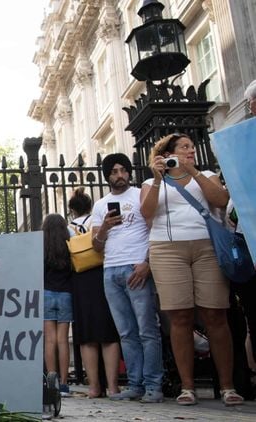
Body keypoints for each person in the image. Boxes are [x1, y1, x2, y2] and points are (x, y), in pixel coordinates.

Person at [139, 134, 243, 406]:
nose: (190, 151)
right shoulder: (151, 182)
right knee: (180, 318)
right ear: (167, 153)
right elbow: (146, 213)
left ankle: (228, 387)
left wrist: (193, 171)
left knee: (215, 314)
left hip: (206, 248)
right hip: (166, 249)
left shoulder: (206, 174)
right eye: (184, 148)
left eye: (193, 148)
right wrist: (160, 179)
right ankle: (187, 387)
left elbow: (220, 200)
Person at [92, 153, 164, 403]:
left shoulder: (139, 194)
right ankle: (135, 384)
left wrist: (147, 263)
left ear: (129, 173)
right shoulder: (100, 205)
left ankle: (154, 385)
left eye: (123, 170)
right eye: (114, 171)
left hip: (136, 267)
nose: (119, 175)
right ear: (107, 176)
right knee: (126, 332)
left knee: (147, 329)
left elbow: (155, 229)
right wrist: (104, 228)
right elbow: (96, 246)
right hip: (110, 271)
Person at [68, 188, 121, 398]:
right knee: (109, 333)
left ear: (72, 210)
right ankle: (114, 386)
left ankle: (93, 387)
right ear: (90, 205)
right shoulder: (97, 221)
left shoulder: (68, 228)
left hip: (80, 280)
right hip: (102, 274)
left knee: (87, 336)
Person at [41, 214, 73, 397]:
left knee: (50, 340)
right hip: (66, 294)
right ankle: (63, 383)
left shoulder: (41, 246)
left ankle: (50, 383)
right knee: (63, 340)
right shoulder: (68, 244)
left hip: (46, 293)